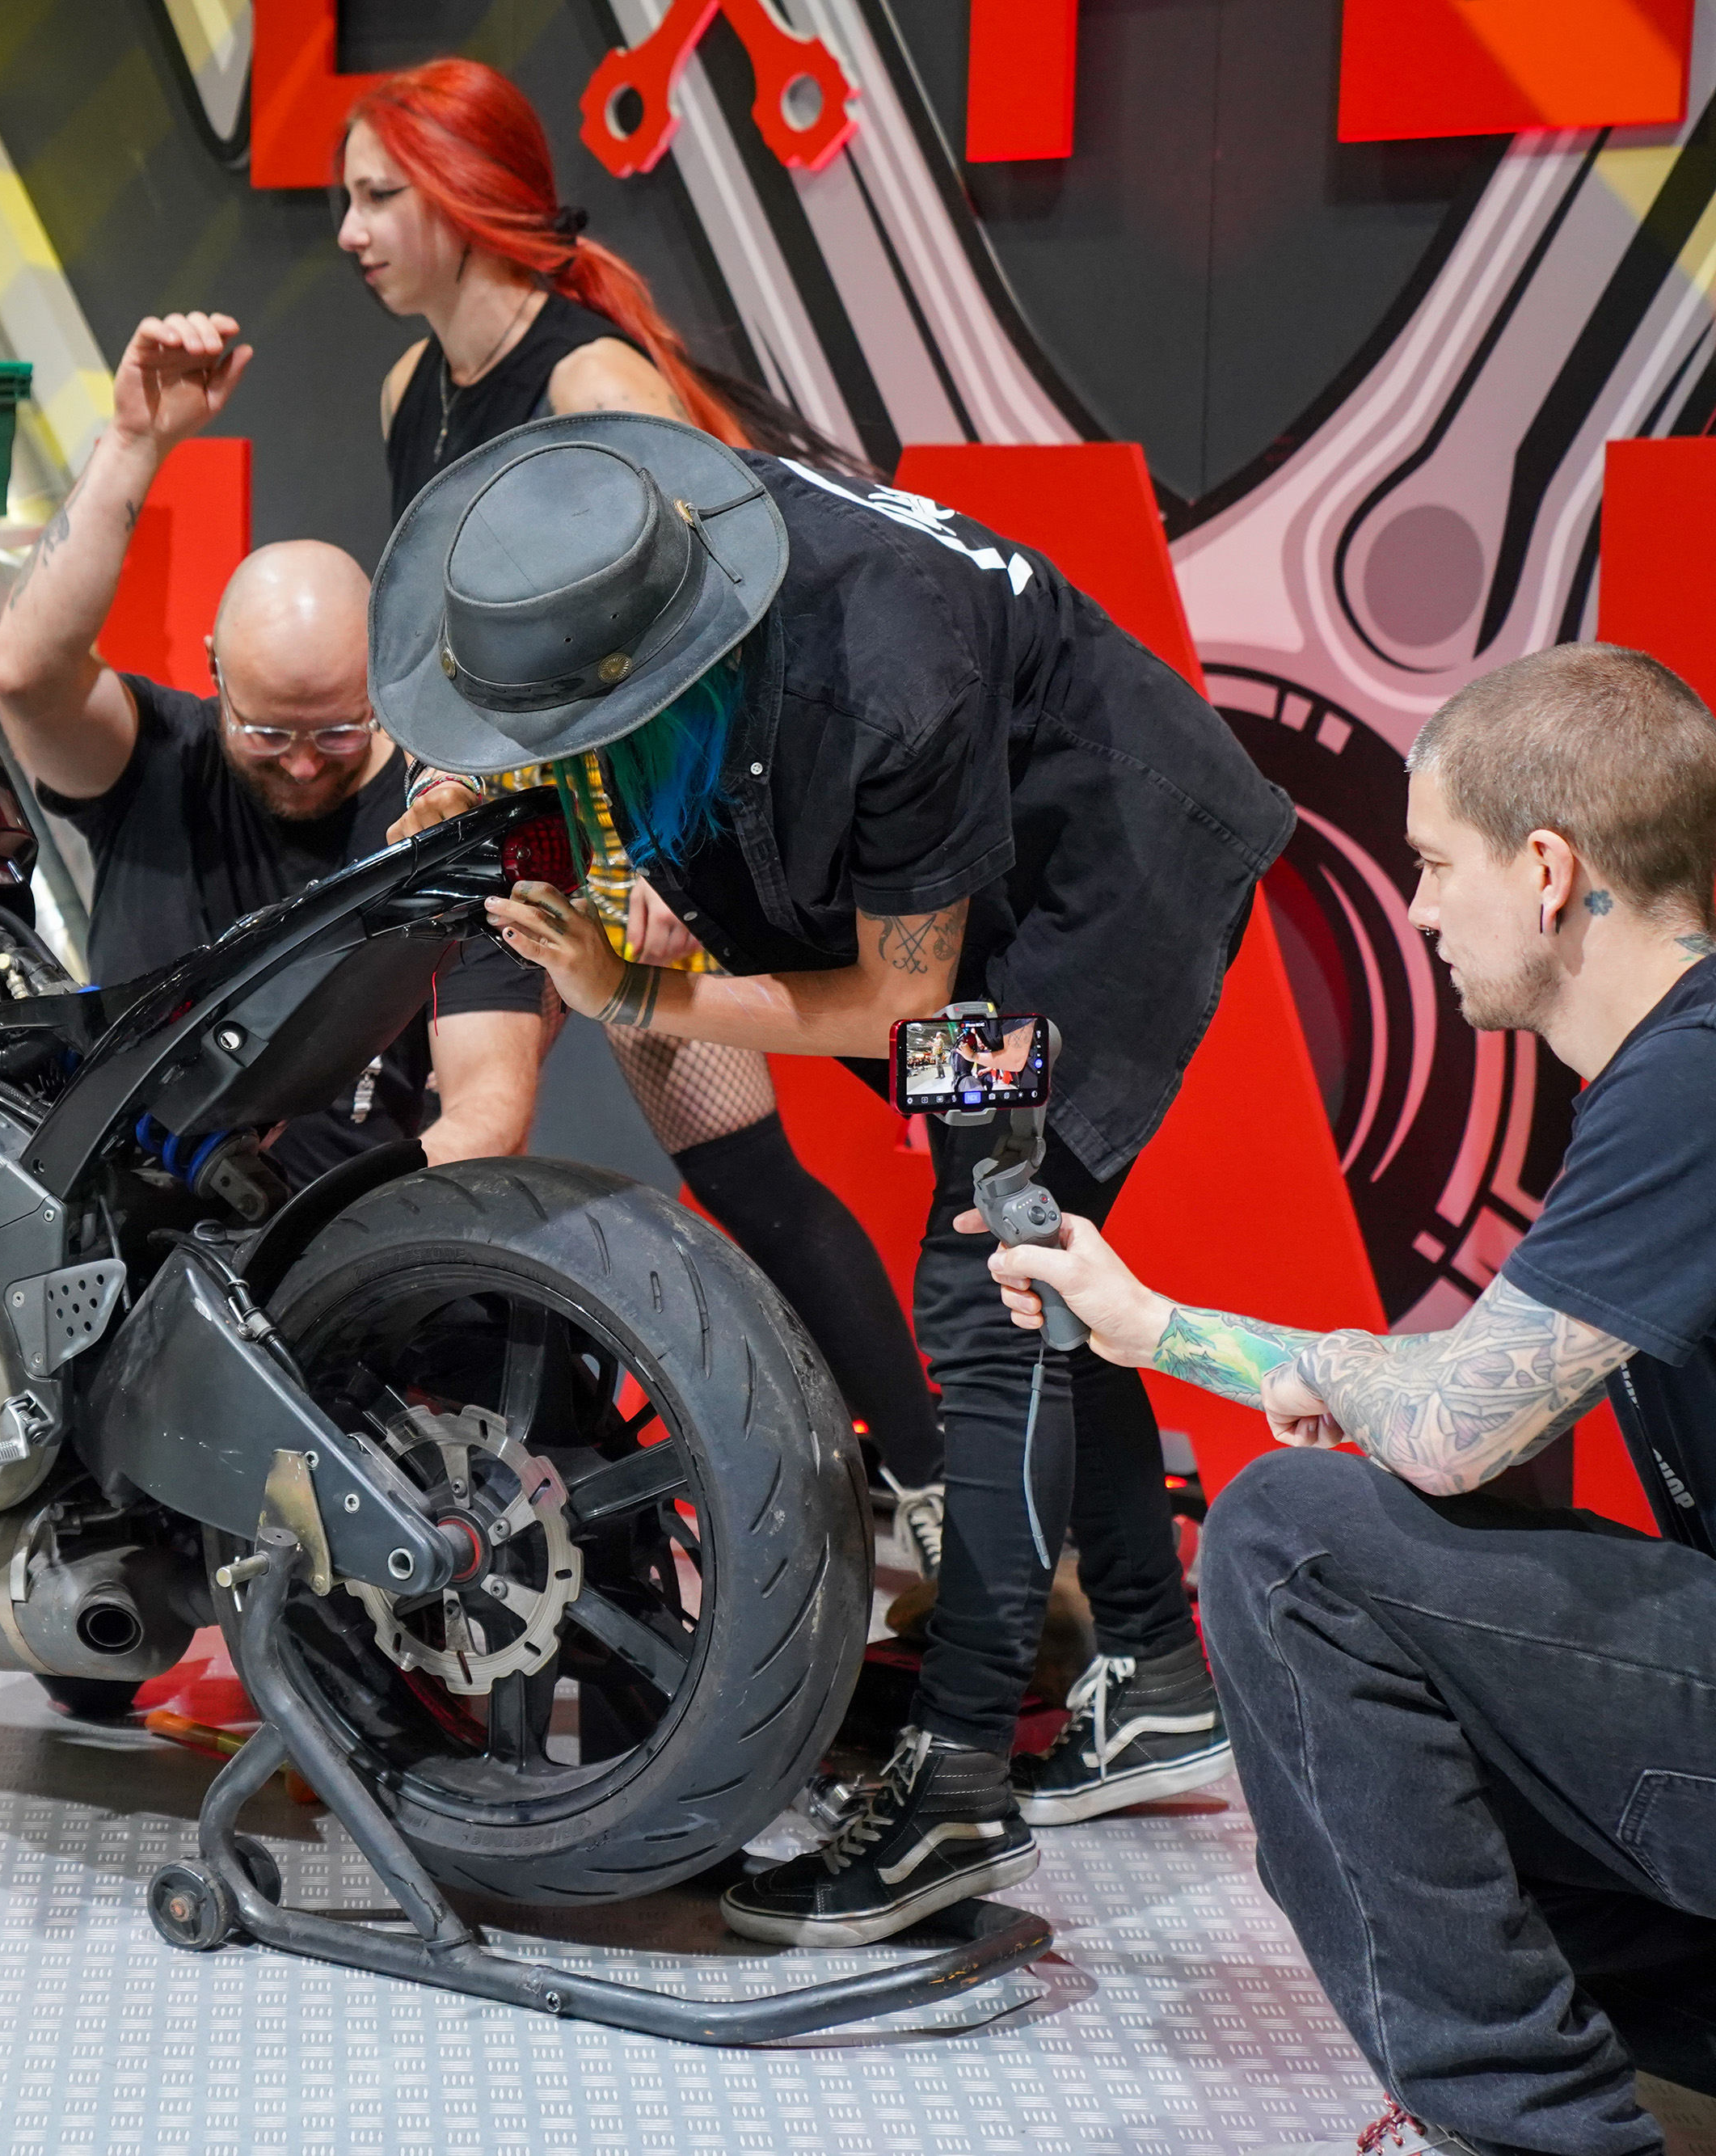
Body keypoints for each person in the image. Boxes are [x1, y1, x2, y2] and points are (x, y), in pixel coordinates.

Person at [382, 408, 1295, 1945]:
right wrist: (484, 787)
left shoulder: (887, 675)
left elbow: (898, 1002)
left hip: (1089, 892)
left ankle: (956, 1787)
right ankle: (1153, 1668)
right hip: (977, 877)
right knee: (1048, 1255)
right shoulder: (634, 530)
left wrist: (636, 992)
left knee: (997, 1278)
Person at [980, 643, 1716, 2156]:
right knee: (1386, 1706)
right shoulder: (1671, 1071)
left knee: (1290, 1541)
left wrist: (1338, 1377)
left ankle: (1535, 2132)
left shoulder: (1691, 1083)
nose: (1420, 909)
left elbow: (1448, 1419)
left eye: (1435, 863)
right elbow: (1478, 1400)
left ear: (1549, 871)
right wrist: (1152, 1325)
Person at [338, 57, 947, 1559]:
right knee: (467, 1127)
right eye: (347, 198)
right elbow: (450, 650)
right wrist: (435, 769)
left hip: (635, 831)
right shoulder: (408, 388)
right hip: (502, 831)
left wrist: (683, 856)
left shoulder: (593, 381)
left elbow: (728, 644)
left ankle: (939, 1505)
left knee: (752, 1174)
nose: (349, 232)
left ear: (464, 201)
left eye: (377, 196)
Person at [0, 310, 542, 1183]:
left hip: (337, 1235)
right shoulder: (155, 761)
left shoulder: (441, 831)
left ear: (384, 679)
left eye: (340, 731)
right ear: (215, 671)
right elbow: (24, 674)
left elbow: (488, 1115)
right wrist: (133, 441)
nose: (305, 763)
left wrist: (318, 1226)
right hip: (116, 1220)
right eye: (268, 733)